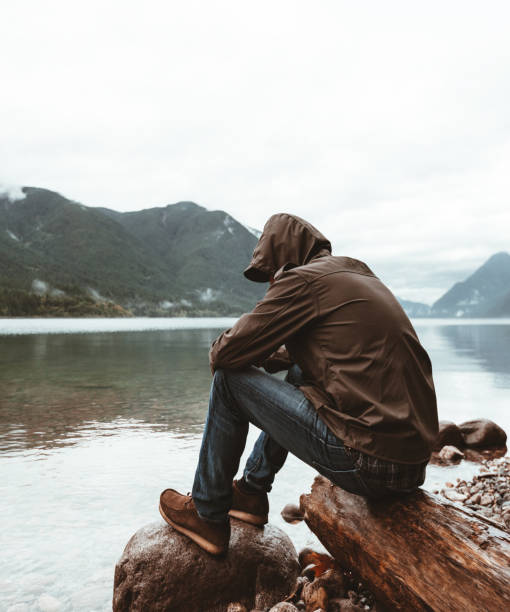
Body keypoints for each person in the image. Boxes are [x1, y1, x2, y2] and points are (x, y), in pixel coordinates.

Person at [159, 213, 439, 555]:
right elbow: (326, 357)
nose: (271, 285)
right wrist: (269, 353)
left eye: (271, 274)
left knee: (229, 381)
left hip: (369, 462)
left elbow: (223, 354)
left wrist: (253, 350)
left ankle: (207, 512)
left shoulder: (303, 281)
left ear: (285, 260)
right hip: (410, 466)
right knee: (300, 375)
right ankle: (250, 491)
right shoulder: (354, 273)